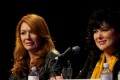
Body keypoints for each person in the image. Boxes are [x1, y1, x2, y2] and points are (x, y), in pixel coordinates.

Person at [8, 13, 63, 80]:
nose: (27, 37)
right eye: (23, 33)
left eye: (32, 32)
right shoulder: (22, 60)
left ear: (42, 35)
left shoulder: (54, 59)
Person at [76, 7, 120, 80]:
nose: (99, 36)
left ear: (118, 32)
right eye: (95, 31)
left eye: (104, 30)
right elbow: (80, 78)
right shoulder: (93, 58)